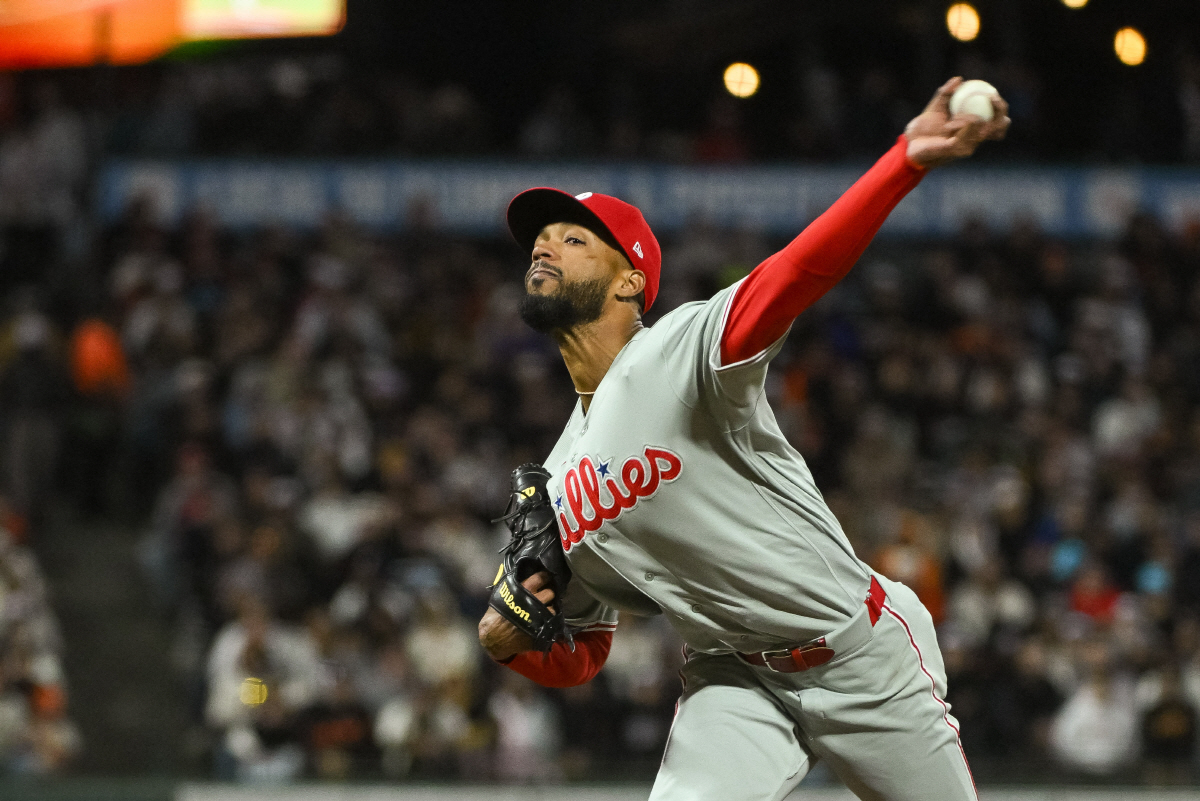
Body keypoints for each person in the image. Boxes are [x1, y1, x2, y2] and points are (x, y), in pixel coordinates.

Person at [478, 78, 1009, 800]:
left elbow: (795, 274)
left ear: (632, 281)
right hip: (731, 678)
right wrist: (508, 640)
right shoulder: (559, 473)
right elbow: (585, 652)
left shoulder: (677, 351)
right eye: (540, 240)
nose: (545, 247)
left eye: (573, 239)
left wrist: (903, 160)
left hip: (857, 655)